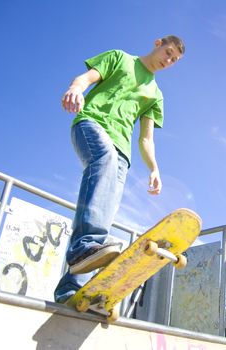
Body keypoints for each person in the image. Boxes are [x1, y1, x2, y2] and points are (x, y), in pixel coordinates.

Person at [54, 35, 185, 303]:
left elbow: (146, 138)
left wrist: (154, 168)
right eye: (167, 52)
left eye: (173, 60)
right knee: (104, 159)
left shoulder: (156, 96)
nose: (167, 60)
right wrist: (76, 89)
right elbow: (86, 78)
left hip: (122, 152)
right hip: (92, 124)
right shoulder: (120, 58)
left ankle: (70, 289)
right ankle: (85, 245)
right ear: (158, 43)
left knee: (103, 207)